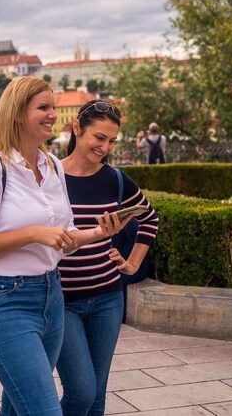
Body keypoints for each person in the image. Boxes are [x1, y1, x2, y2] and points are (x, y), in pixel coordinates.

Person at [0, 76, 126, 415]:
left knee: (18, 407)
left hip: (51, 296)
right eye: (44, 107)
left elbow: (63, 237)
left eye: (53, 107)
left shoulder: (51, 167)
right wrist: (33, 233)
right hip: (4, 301)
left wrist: (98, 233)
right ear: (18, 113)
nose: (53, 115)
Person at [58, 99, 159, 415]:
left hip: (107, 300)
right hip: (61, 301)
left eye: (112, 140)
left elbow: (150, 218)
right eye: (99, 138)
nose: (105, 147)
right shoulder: (49, 176)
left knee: (97, 394)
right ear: (77, 129)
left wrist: (132, 263)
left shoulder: (115, 179)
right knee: (81, 392)